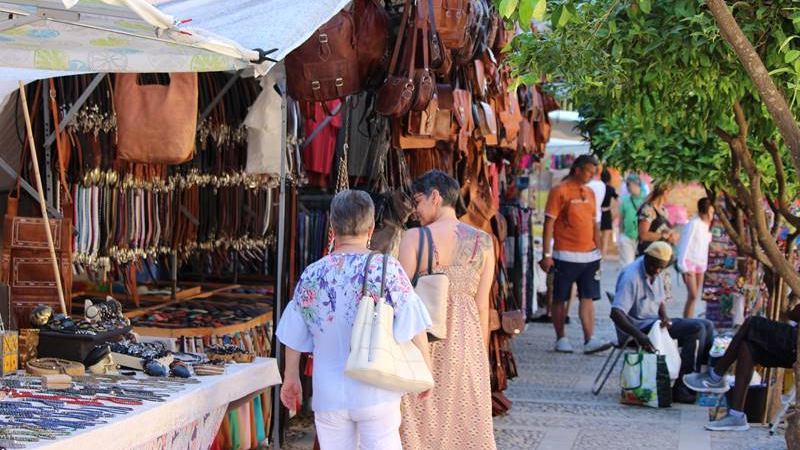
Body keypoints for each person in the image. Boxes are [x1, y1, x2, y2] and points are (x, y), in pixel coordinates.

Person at [277, 190, 433, 450]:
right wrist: (425, 368)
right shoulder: (387, 268)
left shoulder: (313, 274)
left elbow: (293, 331)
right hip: (377, 388)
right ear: (371, 227)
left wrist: (291, 377)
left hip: (329, 394)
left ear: (332, 226)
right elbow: (414, 323)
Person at [398, 170, 497, 450]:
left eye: (418, 201)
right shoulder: (484, 242)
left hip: (424, 337)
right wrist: (482, 353)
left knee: (422, 413)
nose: (415, 210)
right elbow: (482, 306)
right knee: (462, 415)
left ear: (435, 196)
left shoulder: (415, 238)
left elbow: (402, 297)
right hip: (467, 342)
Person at [610, 242, 715, 403]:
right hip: (638, 328)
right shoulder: (632, 276)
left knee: (707, 325)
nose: (658, 271)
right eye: (655, 267)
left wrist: (665, 317)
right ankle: (682, 387)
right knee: (695, 329)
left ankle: (696, 380)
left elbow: (659, 301)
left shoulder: (657, 271)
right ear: (646, 258)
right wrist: (639, 336)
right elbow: (616, 313)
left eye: (661, 267)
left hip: (655, 324)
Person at [683, 293, 800, 431]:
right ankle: (736, 415)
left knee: (752, 323)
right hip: (794, 344)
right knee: (747, 347)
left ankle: (715, 376)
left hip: (795, 344)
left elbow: (794, 314)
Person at [540, 154, 612, 354]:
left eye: (594, 171)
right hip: (565, 254)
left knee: (588, 297)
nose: (592, 175)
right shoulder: (559, 191)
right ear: (577, 169)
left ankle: (590, 338)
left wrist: (598, 249)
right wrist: (547, 254)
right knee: (560, 297)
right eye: (589, 171)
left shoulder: (590, 192)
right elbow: (549, 223)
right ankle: (561, 338)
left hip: (589, 256)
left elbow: (594, 223)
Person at [676, 198, 715, 318]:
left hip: (700, 264)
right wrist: (682, 265)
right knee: (692, 295)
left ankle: (689, 321)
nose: (712, 215)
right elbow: (684, 244)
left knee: (695, 297)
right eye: (710, 212)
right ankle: (686, 322)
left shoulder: (706, 225)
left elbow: (704, 247)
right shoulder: (693, 224)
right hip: (689, 263)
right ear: (704, 212)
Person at [637, 182, 679, 255]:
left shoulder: (663, 210)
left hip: (660, 252)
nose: (671, 196)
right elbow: (643, 235)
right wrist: (664, 236)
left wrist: (672, 235)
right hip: (649, 253)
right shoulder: (648, 209)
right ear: (665, 192)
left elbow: (662, 229)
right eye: (670, 193)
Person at [618, 175, 645, 267]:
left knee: (641, 266)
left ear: (635, 184)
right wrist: (621, 235)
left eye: (628, 184)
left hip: (641, 239)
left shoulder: (646, 199)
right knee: (627, 265)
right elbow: (621, 218)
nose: (627, 187)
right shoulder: (625, 200)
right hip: (627, 237)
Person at [599, 168, 619, 259]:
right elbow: (618, 200)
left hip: (597, 213)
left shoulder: (598, 187)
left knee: (596, 236)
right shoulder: (611, 189)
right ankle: (603, 256)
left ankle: (596, 255)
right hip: (606, 213)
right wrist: (611, 208)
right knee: (605, 238)